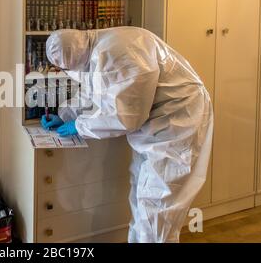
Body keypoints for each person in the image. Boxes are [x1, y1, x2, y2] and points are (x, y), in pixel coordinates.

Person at [42, 27, 214, 243]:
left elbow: (125, 116)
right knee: (141, 196)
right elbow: (94, 90)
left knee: (157, 205)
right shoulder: (92, 48)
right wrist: (68, 115)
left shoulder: (116, 52)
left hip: (178, 121)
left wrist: (80, 125)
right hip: (157, 124)